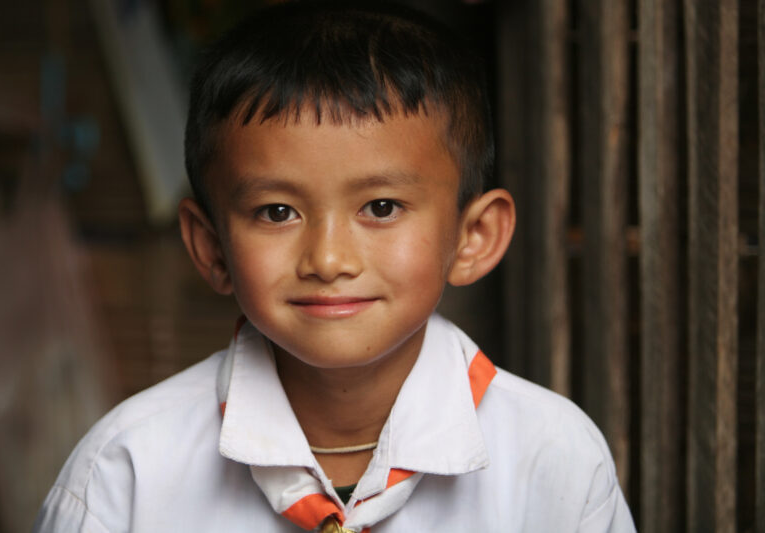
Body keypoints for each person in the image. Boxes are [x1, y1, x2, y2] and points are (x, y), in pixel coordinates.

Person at [34, 1, 635, 531]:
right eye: (276, 212)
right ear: (212, 247)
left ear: (473, 237)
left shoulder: (553, 461)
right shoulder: (127, 472)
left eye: (380, 207)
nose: (327, 259)